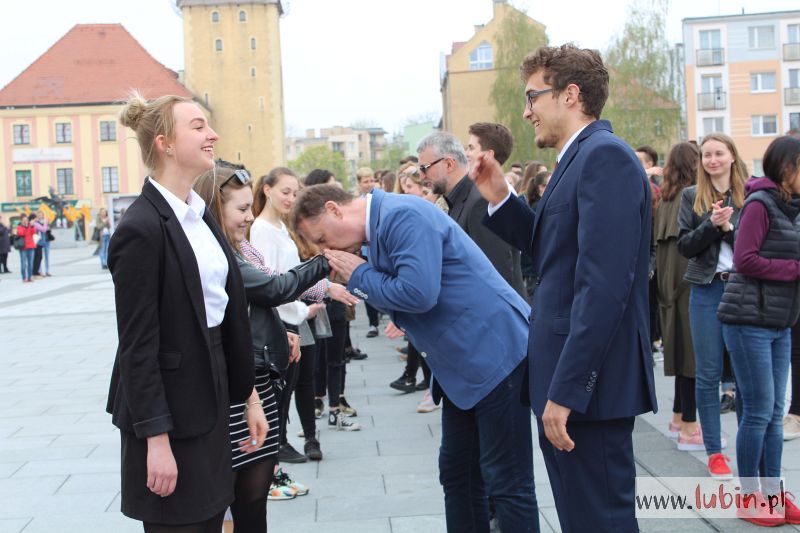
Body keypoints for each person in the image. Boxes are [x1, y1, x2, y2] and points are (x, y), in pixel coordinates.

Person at [472, 43, 657, 532]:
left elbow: (604, 287)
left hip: (586, 390)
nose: (526, 111)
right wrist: (500, 198)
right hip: (570, 382)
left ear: (570, 94)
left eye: (533, 96)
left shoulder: (604, 157)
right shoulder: (580, 157)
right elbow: (555, 251)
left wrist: (570, 389)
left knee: (599, 522)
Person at [292, 185, 540, 533]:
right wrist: (362, 276)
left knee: (507, 481)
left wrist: (360, 274)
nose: (326, 249)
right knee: (458, 475)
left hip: (494, 354)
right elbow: (396, 296)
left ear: (334, 209)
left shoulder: (401, 216)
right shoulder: (377, 230)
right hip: (462, 366)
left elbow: (418, 294)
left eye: (322, 238)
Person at [106, 92, 256, 532]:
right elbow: (137, 345)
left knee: (212, 519)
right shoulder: (140, 228)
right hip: (169, 416)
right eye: (198, 126)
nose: (213, 135)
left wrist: (248, 397)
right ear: (165, 144)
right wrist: (156, 440)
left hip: (209, 399)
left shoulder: (199, 214)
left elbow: (223, 312)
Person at [194, 161, 332, 530]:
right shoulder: (217, 253)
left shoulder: (236, 247)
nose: (250, 216)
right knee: (240, 495)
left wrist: (276, 328)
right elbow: (272, 288)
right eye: (241, 208)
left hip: (256, 377)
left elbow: (260, 295)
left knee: (255, 494)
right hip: (242, 382)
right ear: (215, 208)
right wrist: (326, 263)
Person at [716, 135, 800, 526]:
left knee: (773, 414)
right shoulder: (759, 204)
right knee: (758, 413)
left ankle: (774, 496)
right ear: (786, 168)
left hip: (779, 322)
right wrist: (795, 269)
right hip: (748, 321)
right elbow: (745, 259)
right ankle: (749, 498)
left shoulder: (791, 206)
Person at [677, 132, 746, 479]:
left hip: (743, 290)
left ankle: (748, 448)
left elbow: (755, 246)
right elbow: (685, 247)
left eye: (719, 153)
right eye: (706, 155)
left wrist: (728, 228)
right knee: (707, 374)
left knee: (746, 374)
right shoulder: (692, 196)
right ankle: (715, 452)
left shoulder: (751, 194)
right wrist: (711, 226)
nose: (713, 160)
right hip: (706, 290)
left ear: (732, 156)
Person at [418, 129, 525, 298]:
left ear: (449, 164)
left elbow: (497, 277)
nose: (421, 176)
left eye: (424, 168)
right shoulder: (457, 200)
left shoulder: (479, 201)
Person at [654, 142, 702, 450]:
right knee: (691, 356)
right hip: (688, 281)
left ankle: (678, 418)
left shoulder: (665, 198)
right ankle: (689, 427)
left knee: (682, 350)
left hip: (668, 282)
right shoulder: (692, 196)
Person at [16, 214, 36, 283]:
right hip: (23, 247)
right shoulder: (19, 226)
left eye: (26, 220)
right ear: (21, 221)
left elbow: (33, 232)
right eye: (24, 220)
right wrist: (25, 227)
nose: (25, 222)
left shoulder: (30, 226)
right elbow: (21, 233)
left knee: (30, 263)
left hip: (31, 246)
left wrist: (32, 226)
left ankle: (30, 277)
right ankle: (24, 277)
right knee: (23, 263)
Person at [33, 210, 51, 277]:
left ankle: (47, 271)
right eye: (39, 215)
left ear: (43, 215)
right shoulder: (36, 223)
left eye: (41, 215)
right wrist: (45, 223)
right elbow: (43, 230)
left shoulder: (46, 221)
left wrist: (46, 224)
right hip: (39, 241)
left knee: (47, 256)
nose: (40, 216)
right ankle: (40, 271)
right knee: (39, 257)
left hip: (46, 240)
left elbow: (48, 230)